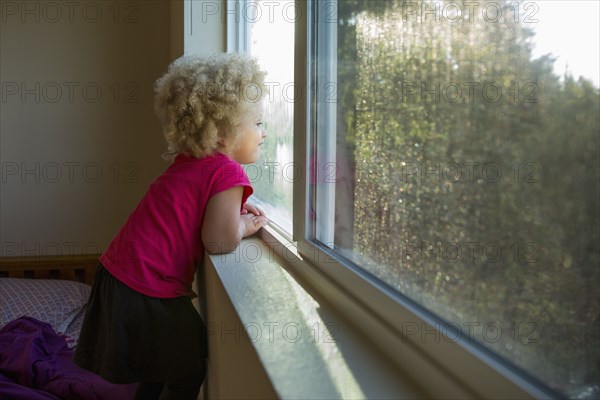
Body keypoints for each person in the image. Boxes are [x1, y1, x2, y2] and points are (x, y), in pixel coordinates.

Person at [73, 52, 268, 400]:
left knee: (161, 364)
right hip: (143, 285)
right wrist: (245, 226)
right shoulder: (227, 171)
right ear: (224, 133)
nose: (263, 133)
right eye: (256, 124)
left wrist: (232, 216)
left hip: (119, 274)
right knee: (188, 364)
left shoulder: (192, 163)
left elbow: (198, 214)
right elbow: (219, 241)